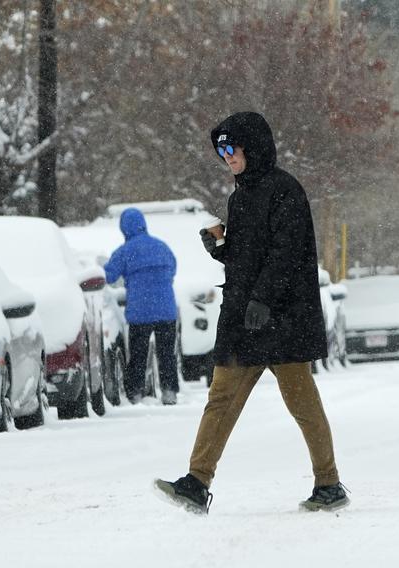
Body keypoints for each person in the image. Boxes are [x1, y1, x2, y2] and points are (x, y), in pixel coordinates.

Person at [154, 111, 347, 513]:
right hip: (246, 319)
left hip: (283, 319)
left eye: (231, 148)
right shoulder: (240, 197)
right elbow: (248, 257)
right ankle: (196, 481)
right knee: (220, 397)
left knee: (302, 403)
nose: (226, 156)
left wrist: (263, 298)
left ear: (252, 147)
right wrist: (222, 249)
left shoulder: (285, 191)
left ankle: (329, 484)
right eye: (220, 150)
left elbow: (286, 254)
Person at [104, 208, 180, 405]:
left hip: (140, 311)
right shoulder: (161, 246)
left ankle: (135, 393)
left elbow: (109, 276)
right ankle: (169, 391)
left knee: (138, 354)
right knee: (166, 354)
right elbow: (172, 268)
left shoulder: (124, 252)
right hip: (166, 309)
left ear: (124, 228)